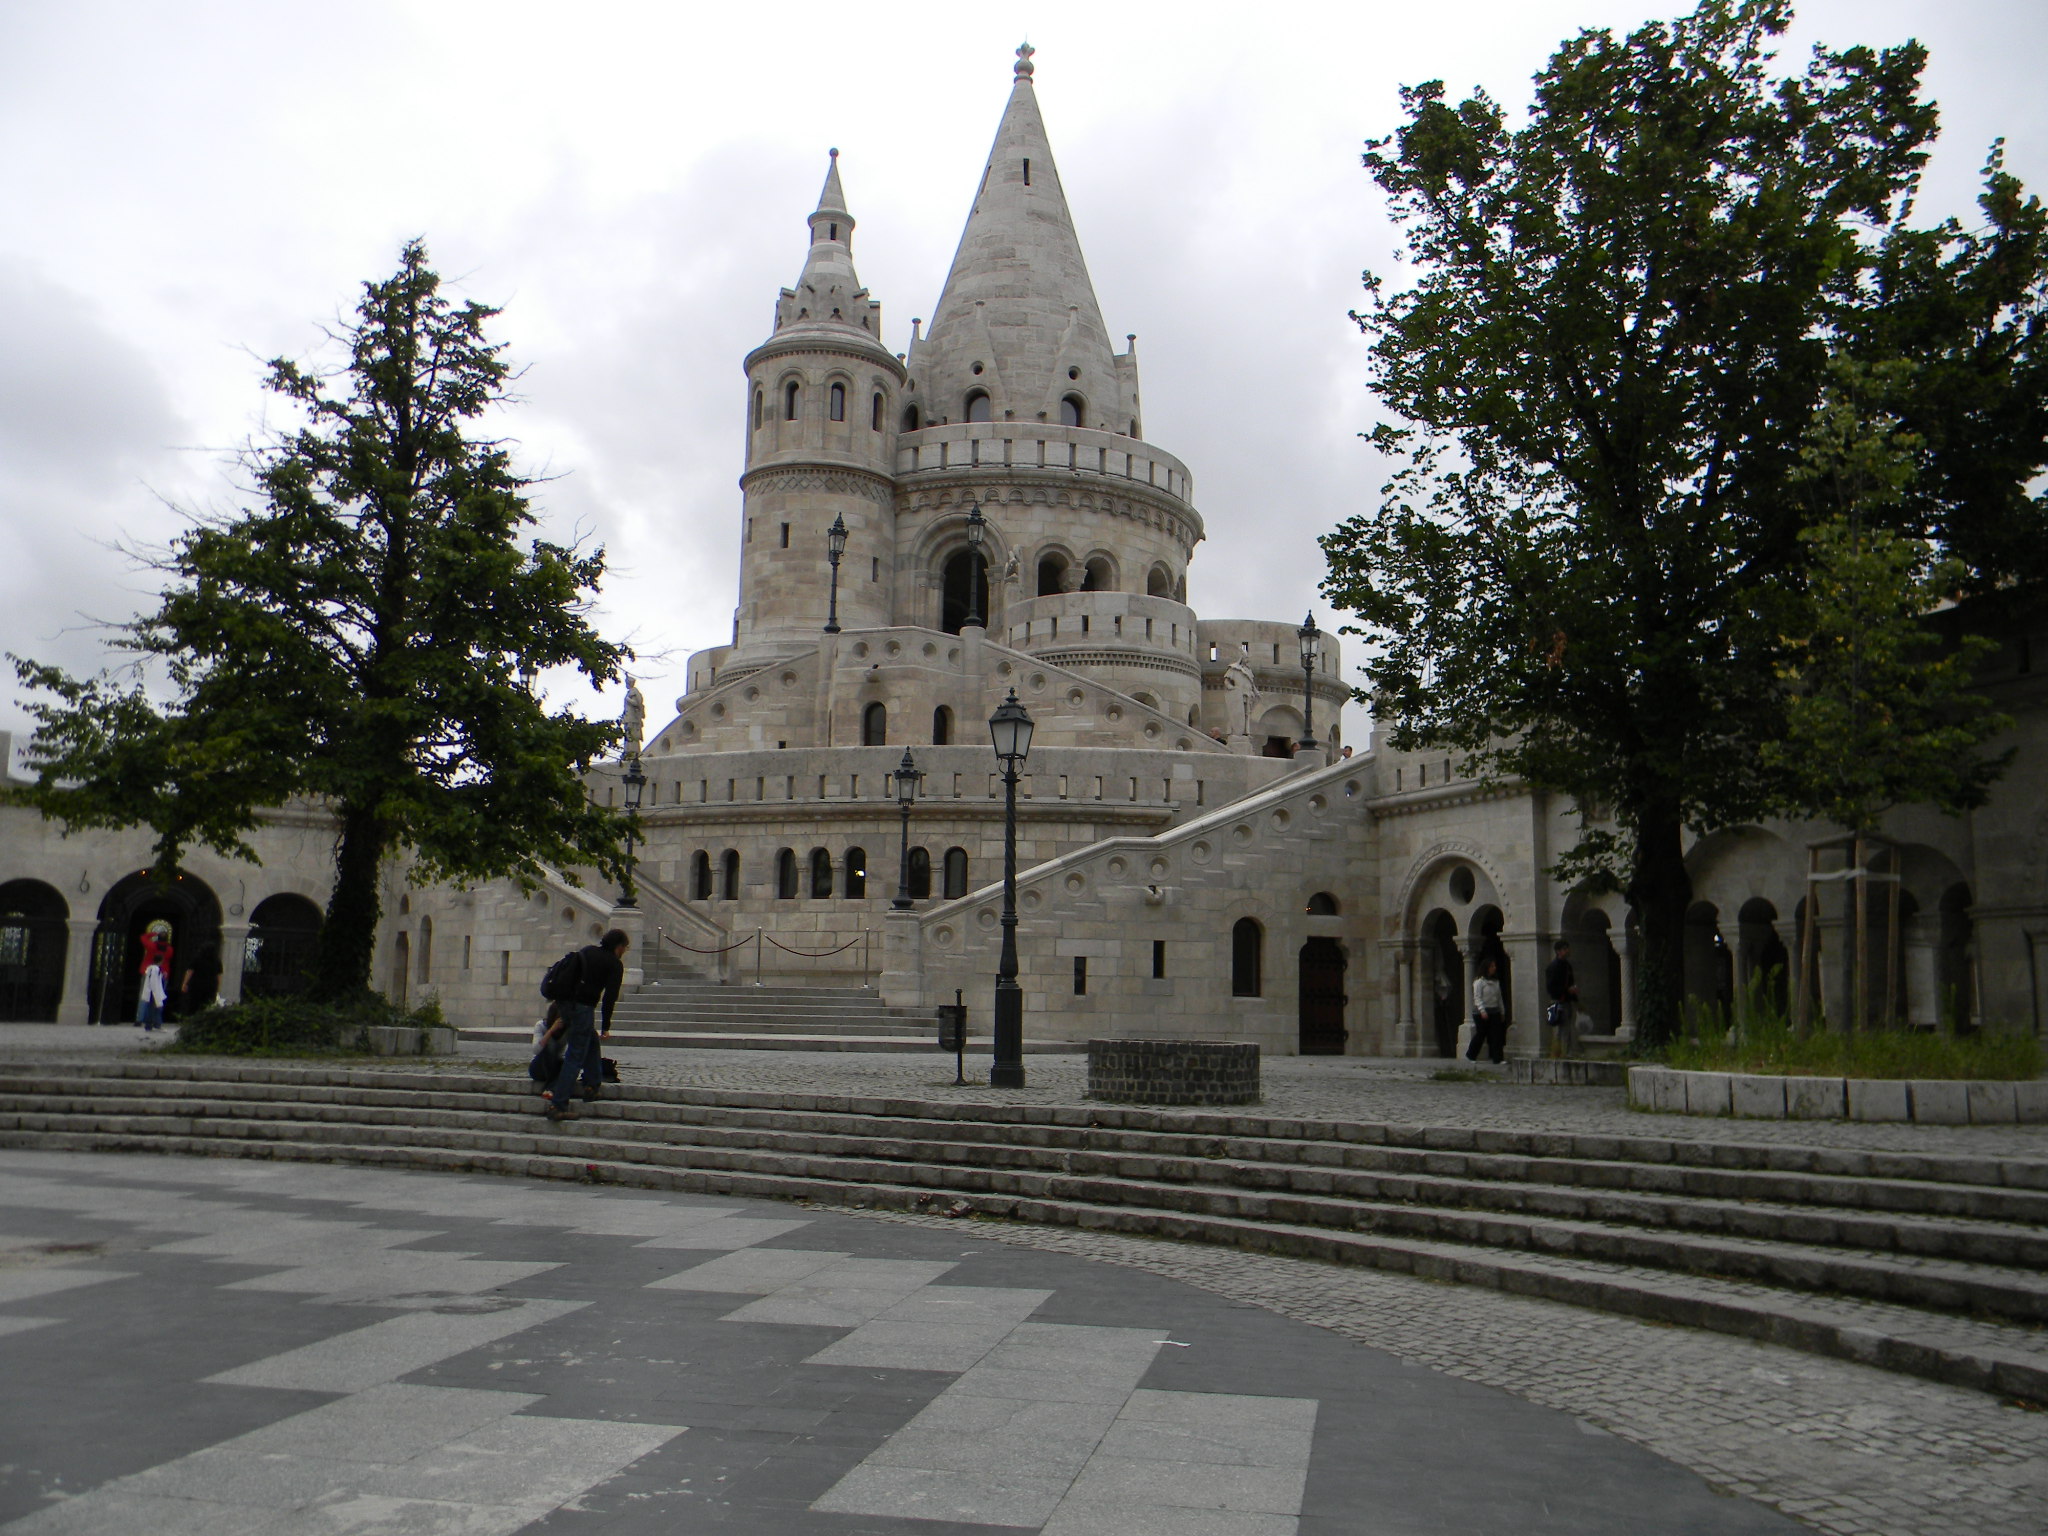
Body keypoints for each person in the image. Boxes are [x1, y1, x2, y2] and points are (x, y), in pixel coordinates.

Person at [540, 929, 628, 1121]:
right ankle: (558, 1104)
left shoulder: (588, 951)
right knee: (575, 1055)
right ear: (619, 947)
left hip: (565, 1004)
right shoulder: (614, 964)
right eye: (624, 948)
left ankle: (592, 1084)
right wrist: (606, 1025)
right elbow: (609, 998)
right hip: (583, 1007)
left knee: (590, 1039)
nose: (624, 952)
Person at [1466, 955, 1506, 1064]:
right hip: (1481, 1013)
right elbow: (1477, 997)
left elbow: (1499, 998)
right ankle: (1471, 1055)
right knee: (1481, 1034)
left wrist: (1502, 1011)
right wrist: (1482, 1010)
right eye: (1492, 966)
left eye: (1494, 966)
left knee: (1496, 1035)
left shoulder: (1495, 982)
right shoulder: (1479, 982)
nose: (1494, 968)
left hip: (1494, 1010)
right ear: (1486, 968)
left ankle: (1497, 1058)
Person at [1545, 939, 1581, 1054]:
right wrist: (1566, 990)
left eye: (1567, 948)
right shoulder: (1553, 967)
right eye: (1564, 949)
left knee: (1568, 1027)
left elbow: (1570, 982)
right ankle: (1561, 1052)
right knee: (1561, 1028)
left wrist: (1574, 996)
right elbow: (1551, 987)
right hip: (1558, 1001)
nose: (1567, 951)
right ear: (1558, 951)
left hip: (1567, 1000)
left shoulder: (1567, 966)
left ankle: (1567, 1050)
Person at [176, 945, 224, 1022]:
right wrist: (218, 987)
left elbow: (190, 972)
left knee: (194, 1003)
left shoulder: (197, 959)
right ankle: (204, 1021)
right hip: (210, 986)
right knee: (207, 1004)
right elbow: (219, 975)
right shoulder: (217, 961)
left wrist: (184, 983)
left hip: (196, 985)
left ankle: (192, 1020)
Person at [138, 958, 168, 1032]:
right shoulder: (156, 969)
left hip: (150, 991)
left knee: (150, 1009)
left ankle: (149, 1025)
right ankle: (156, 1024)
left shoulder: (150, 968)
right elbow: (155, 982)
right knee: (157, 1009)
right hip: (155, 992)